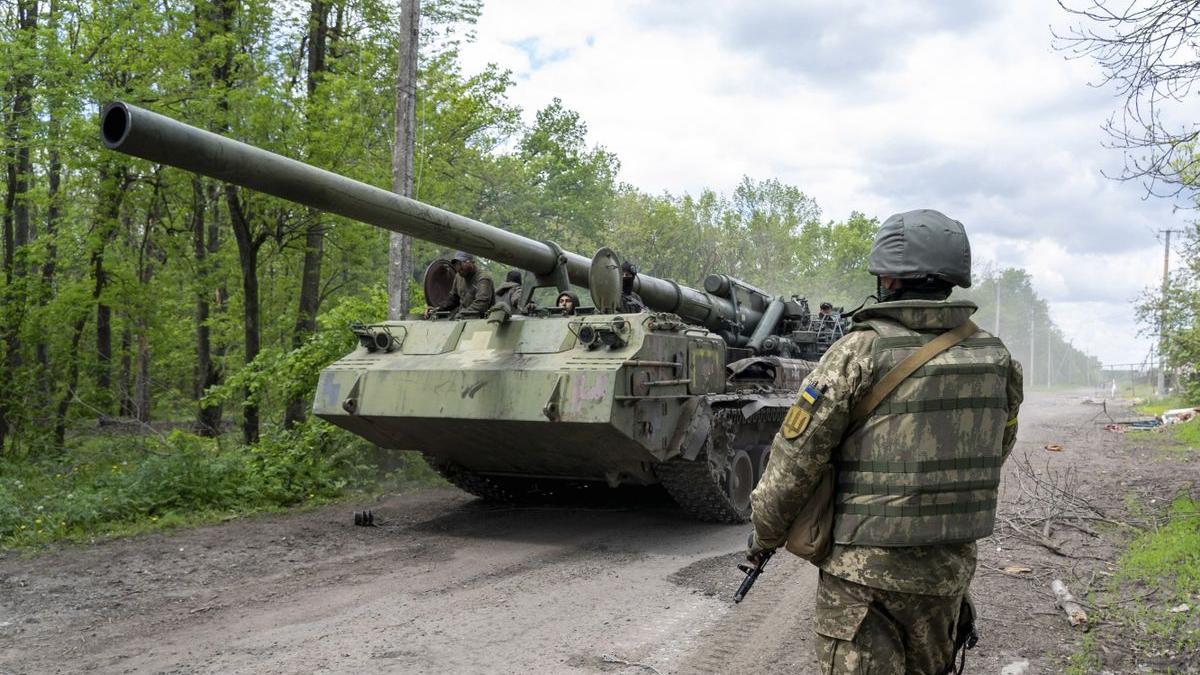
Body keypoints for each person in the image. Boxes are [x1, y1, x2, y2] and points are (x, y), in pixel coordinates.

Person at [747, 209, 1024, 675]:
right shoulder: (996, 357)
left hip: (862, 580)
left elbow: (796, 459)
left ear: (888, 278)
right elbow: (997, 448)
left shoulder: (857, 352)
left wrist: (765, 534)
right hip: (945, 574)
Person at [426, 251, 494, 319]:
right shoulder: (458, 277)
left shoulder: (483, 279)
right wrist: (437, 309)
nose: (458, 268)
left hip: (481, 321)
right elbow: (453, 300)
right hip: (462, 319)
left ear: (470, 262)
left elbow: (481, 304)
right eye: (456, 264)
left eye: (461, 263)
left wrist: (462, 314)